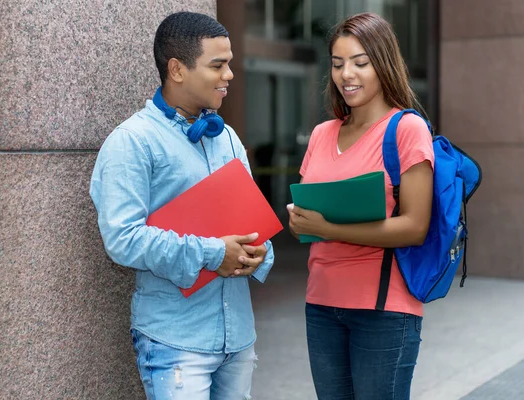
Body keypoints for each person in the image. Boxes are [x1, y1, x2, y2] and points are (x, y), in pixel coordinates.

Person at [89, 11, 275, 400]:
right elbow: (123, 239)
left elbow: (253, 223)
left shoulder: (228, 139)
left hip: (239, 338)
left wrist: (259, 251)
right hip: (176, 342)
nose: (229, 76)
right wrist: (213, 253)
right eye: (218, 65)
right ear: (177, 69)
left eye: (230, 64)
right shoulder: (133, 141)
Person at [286, 12, 434, 400]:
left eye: (360, 62)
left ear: (382, 63)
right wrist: (299, 222)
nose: (346, 74)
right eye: (337, 64)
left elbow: (415, 226)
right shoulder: (322, 134)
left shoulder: (407, 129)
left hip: (383, 309)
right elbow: (304, 219)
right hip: (321, 304)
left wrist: (330, 228)